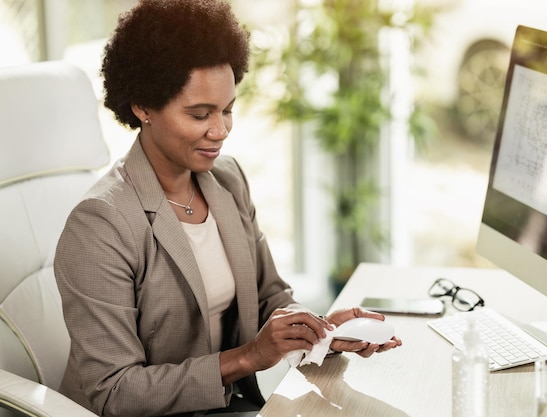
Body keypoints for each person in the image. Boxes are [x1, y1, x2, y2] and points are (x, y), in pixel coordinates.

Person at [53, 1, 402, 416]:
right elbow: (114, 392)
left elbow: (270, 295)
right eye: (200, 114)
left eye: (228, 109)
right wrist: (247, 357)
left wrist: (320, 329)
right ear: (143, 106)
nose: (220, 131)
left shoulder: (228, 180)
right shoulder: (101, 224)